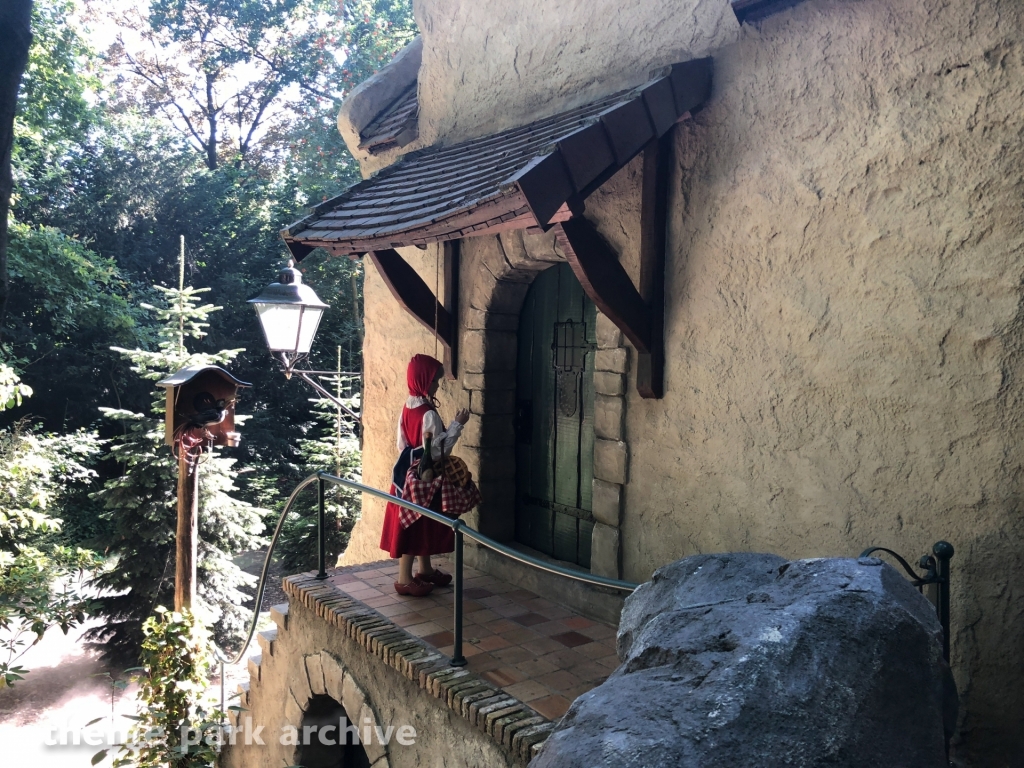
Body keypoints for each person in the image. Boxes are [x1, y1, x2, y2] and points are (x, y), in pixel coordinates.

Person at [380, 354, 470, 596]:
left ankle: (426, 569)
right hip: (424, 475)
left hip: (406, 472)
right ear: (422, 380)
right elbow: (439, 450)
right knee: (414, 523)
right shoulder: (428, 413)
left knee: (421, 521)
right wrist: (457, 424)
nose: (437, 385)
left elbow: (401, 443)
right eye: (434, 381)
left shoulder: (407, 407)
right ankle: (404, 578)